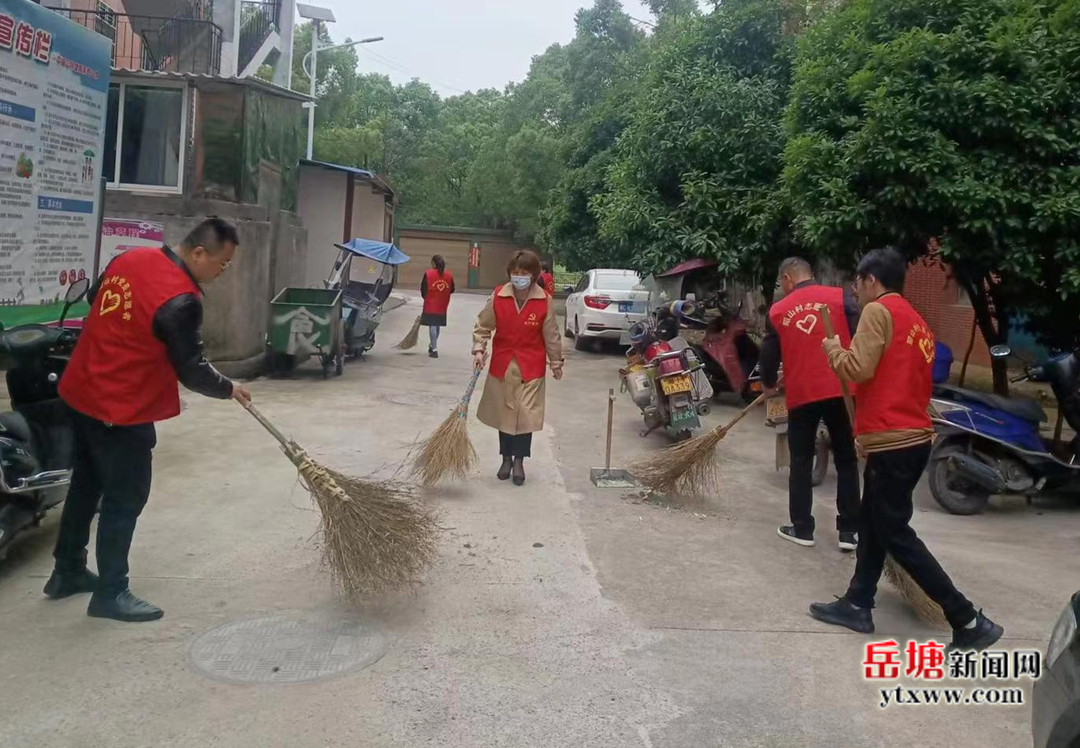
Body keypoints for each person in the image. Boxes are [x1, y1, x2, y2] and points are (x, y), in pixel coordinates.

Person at [44, 218, 252, 623]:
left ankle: (67, 570)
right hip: (120, 406)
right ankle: (110, 592)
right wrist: (229, 388)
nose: (222, 273)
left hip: (81, 388)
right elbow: (191, 370)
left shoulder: (131, 258)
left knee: (87, 484)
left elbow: (96, 301)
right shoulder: (181, 300)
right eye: (222, 264)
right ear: (198, 254)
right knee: (125, 496)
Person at [810, 248, 1003, 650]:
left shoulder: (878, 313)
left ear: (871, 281)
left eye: (857, 283)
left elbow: (856, 369)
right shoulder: (917, 322)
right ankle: (858, 602)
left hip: (894, 440)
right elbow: (897, 379)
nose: (855, 292)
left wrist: (831, 348)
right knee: (875, 523)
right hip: (908, 438)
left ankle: (967, 619)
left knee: (894, 530)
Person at [760, 257, 861, 551]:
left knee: (801, 460)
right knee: (846, 459)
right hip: (842, 389)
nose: (782, 288)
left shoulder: (778, 311)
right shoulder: (841, 298)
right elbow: (858, 336)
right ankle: (849, 533)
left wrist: (768, 385)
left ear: (789, 278)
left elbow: (768, 353)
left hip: (803, 393)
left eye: (782, 283)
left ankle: (802, 528)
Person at [472, 250, 564, 486]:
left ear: (533, 275)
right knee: (506, 414)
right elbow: (483, 325)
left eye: (524, 273)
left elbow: (551, 334)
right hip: (504, 364)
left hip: (531, 365)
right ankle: (505, 459)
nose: (519, 277)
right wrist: (479, 349)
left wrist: (556, 362)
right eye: (515, 273)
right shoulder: (498, 297)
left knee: (524, 415)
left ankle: (520, 461)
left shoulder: (544, 300)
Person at [420, 254, 455, 358]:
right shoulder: (449, 276)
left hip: (430, 303)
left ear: (433, 263)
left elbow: (423, 288)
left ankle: (434, 350)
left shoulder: (428, 274)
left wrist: (426, 297)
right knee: (437, 325)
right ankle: (432, 345)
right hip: (443, 304)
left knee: (432, 325)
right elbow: (452, 289)